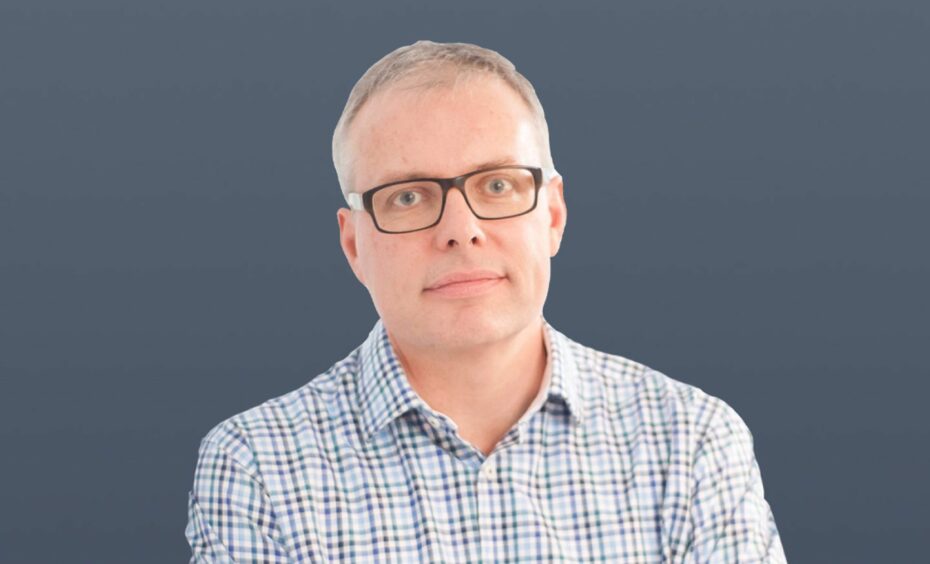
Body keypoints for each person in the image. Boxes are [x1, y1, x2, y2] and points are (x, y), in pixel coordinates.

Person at [186, 40, 787, 562]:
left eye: (497, 185)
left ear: (551, 215)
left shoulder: (691, 443)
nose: (460, 228)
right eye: (408, 197)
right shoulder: (257, 468)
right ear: (353, 245)